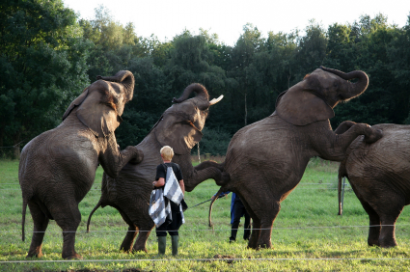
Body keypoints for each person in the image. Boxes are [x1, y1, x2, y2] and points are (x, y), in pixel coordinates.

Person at [152, 145, 185, 255]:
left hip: (163, 201)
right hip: (175, 200)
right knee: (174, 227)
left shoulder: (161, 167)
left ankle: (161, 254)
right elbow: (181, 183)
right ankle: (174, 254)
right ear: (172, 155)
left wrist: (154, 183)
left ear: (161, 156)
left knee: (162, 225)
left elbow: (161, 182)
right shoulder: (177, 167)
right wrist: (181, 196)